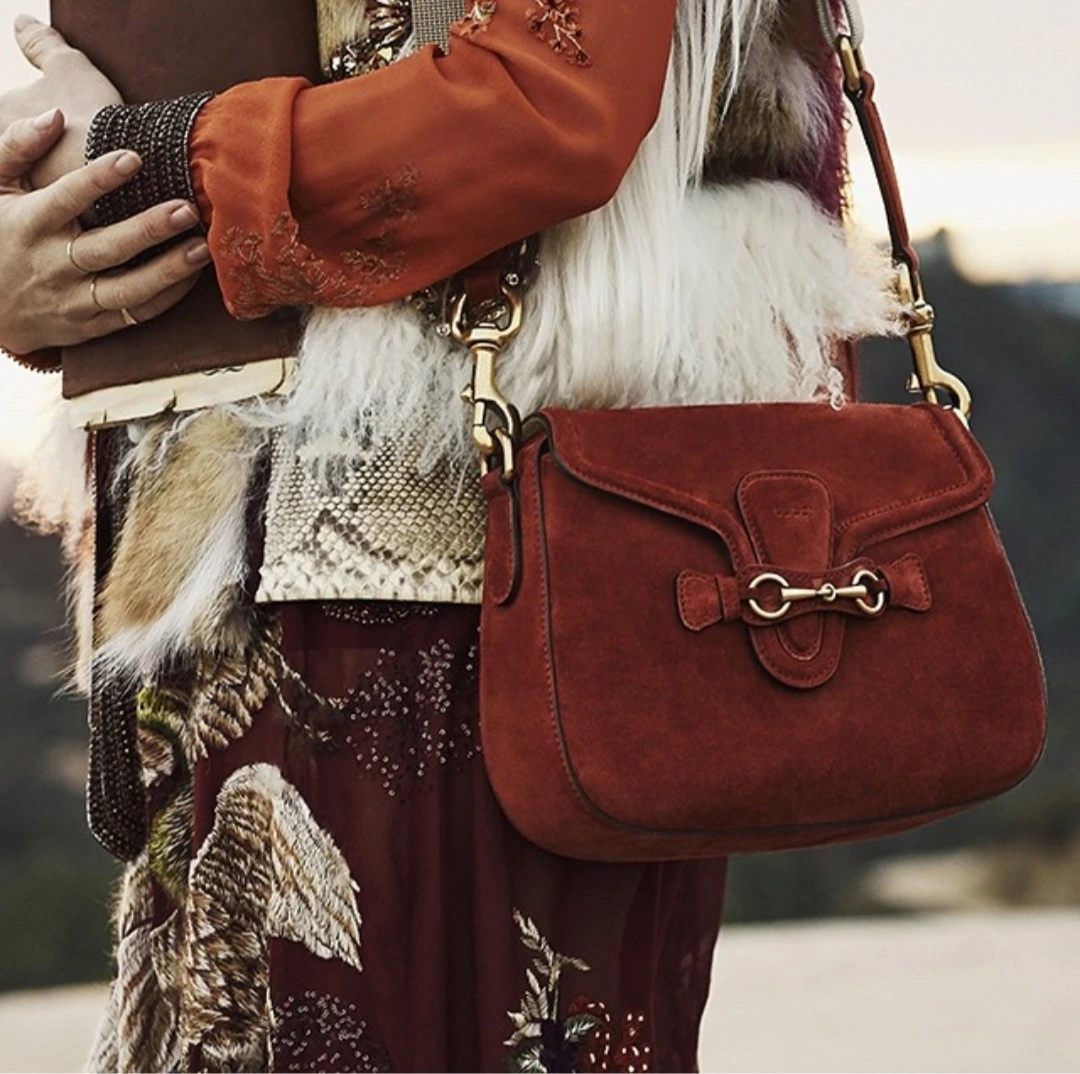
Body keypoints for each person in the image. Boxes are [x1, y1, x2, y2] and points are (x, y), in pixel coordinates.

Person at [0, 1, 897, 1070]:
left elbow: (549, 97)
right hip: (250, 555)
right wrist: (59, 237)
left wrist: (144, 172)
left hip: (474, 555)